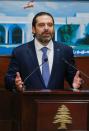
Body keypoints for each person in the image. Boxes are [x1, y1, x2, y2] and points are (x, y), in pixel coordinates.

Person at [5, 12, 82, 92]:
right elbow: (9, 79)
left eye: (50, 25)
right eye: (41, 25)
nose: (46, 28)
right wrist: (15, 83)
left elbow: (73, 78)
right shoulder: (20, 52)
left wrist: (75, 84)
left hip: (56, 102)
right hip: (29, 102)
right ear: (33, 29)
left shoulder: (65, 51)